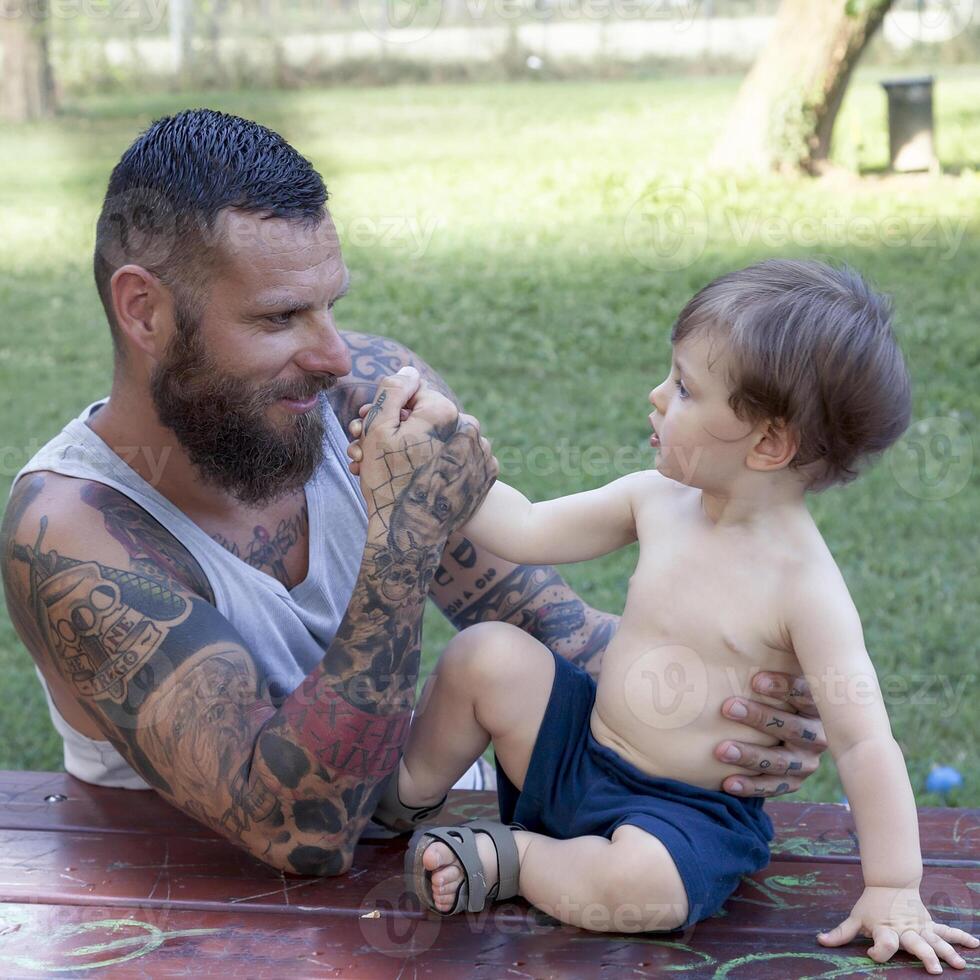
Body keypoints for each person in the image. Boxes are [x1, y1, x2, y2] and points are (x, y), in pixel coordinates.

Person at [1, 109, 828, 878]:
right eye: (279, 317)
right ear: (144, 311)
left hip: (419, 853)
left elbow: (551, 630)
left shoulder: (359, 392)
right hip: (187, 904)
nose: (331, 353)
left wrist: (736, 707)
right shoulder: (71, 532)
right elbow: (303, 833)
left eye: (331, 305)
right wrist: (400, 541)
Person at [352, 260, 979, 972]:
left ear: (768, 443)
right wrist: (440, 459)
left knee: (645, 890)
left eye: (684, 388)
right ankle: (400, 798)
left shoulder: (805, 589)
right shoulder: (657, 500)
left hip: (682, 819)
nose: (656, 395)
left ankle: (517, 860)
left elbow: (866, 743)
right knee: (487, 654)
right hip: (577, 755)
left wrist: (894, 886)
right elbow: (523, 527)